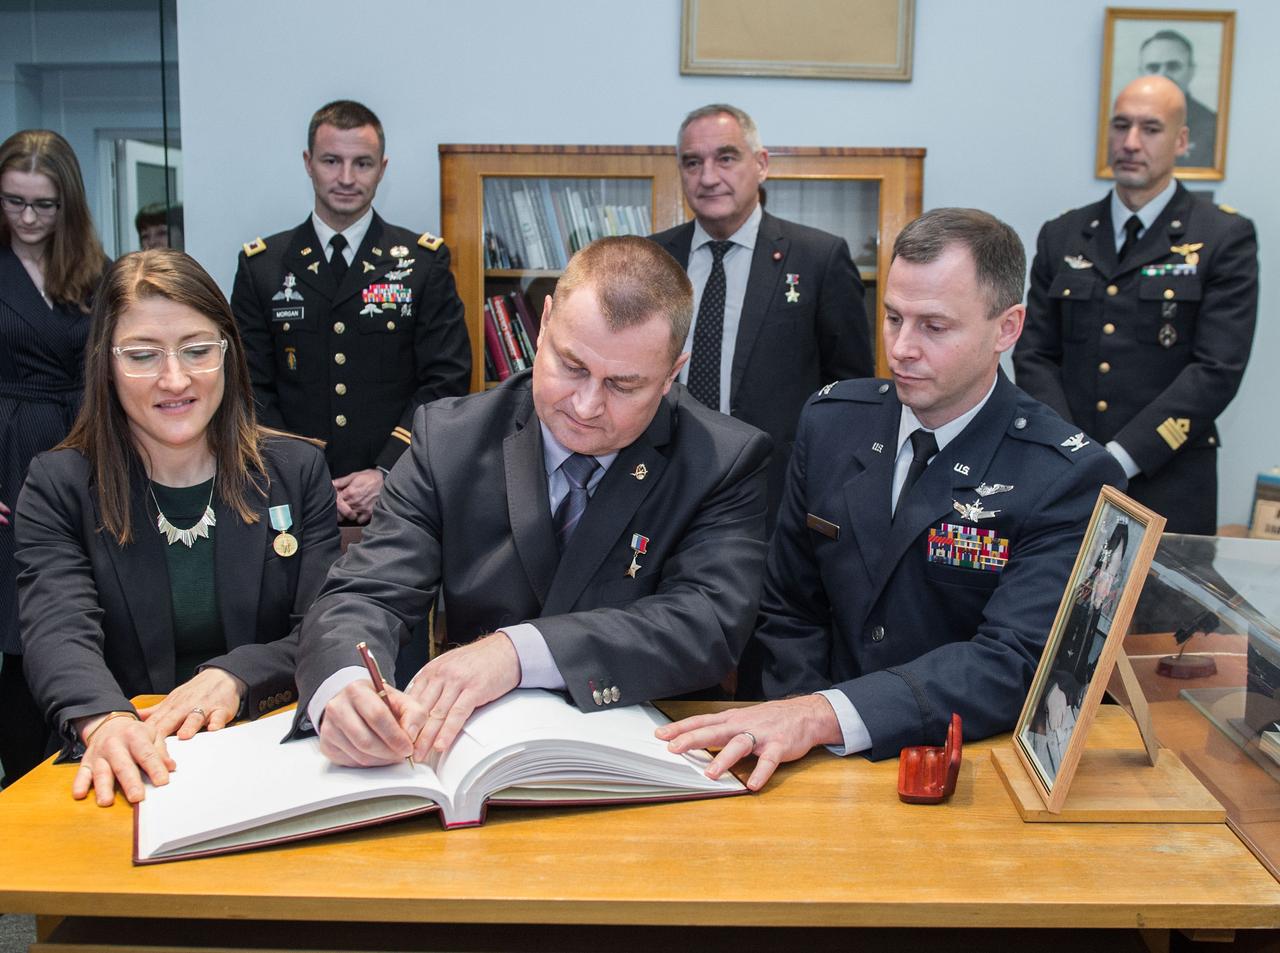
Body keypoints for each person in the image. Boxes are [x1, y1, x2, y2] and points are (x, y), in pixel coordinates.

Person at [659, 208, 1125, 790]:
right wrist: (806, 722)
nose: (902, 348)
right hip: (806, 756)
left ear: (1006, 328)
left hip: (962, 766)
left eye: (934, 326)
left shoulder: (1065, 475)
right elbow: (787, 608)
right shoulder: (833, 423)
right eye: (893, 318)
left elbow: (1014, 663)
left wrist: (828, 715)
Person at [291, 235, 771, 767]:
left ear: (671, 374)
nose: (586, 405)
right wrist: (344, 686)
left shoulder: (723, 459)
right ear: (543, 324)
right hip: (470, 756)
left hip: (647, 762)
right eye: (571, 366)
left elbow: (704, 624)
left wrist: (516, 652)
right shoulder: (450, 438)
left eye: (623, 385)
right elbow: (367, 591)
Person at [14, 249, 341, 805]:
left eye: (196, 351)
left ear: (229, 355)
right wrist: (107, 722)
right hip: (122, 767)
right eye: (142, 355)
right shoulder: (58, 485)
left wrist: (237, 676)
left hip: (271, 760)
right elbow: (58, 632)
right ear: (106, 362)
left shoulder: (296, 471)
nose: (174, 378)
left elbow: (326, 628)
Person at [1013, 75, 1257, 536]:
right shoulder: (1062, 234)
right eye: (1120, 126)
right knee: (1053, 601)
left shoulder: (1224, 237)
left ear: (1182, 140)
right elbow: (1034, 354)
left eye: (1150, 129)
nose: (1130, 142)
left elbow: (1217, 369)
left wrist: (1121, 457)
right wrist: (1073, 451)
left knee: (1166, 609)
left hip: (1169, 476)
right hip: (1064, 475)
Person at [231, 99, 471, 524]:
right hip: (290, 493)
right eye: (331, 161)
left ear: (382, 167)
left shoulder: (421, 263)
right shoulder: (263, 266)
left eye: (362, 163)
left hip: (400, 493)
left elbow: (445, 381)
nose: (346, 178)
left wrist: (388, 470)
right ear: (308, 163)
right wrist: (306, 476)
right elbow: (250, 390)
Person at [650, 104, 872, 522]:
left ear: (762, 164)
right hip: (662, 482)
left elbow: (851, 392)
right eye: (693, 163)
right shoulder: (652, 258)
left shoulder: (818, 258)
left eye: (726, 158)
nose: (709, 177)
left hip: (778, 492)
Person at [0, 129, 109, 786]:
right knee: (19, 622)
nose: (30, 218)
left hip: (82, 444)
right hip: (8, 449)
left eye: (44, 204)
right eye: (15, 202)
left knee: (88, 600)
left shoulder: (95, 270)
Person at [1138, 30, 1217, 168]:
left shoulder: (1214, 127)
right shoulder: (1120, 128)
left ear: (1191, 71)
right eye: (1153, 67)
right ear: (1141, 73)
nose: (1163, 75)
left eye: (1173, 66)